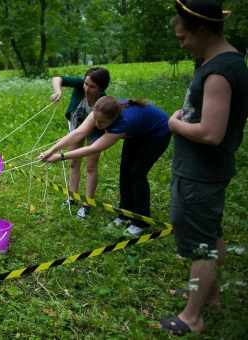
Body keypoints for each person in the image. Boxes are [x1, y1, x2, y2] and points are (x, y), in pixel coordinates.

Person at [160, 0, 248, 336]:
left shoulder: (219, 71)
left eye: (183, 37)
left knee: (201, 243)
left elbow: (211, 133)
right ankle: (209, 296)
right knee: (210, 232)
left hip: (200, 172)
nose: (181, 43)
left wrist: (174, 123)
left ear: (202, 29)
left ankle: (191, 317)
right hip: (205, 170)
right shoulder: (227, 62)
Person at [39, 96, 171, 236]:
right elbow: (78, 133)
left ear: (113, 119)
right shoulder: (100, 111)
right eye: (95, 119)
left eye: (102, 122)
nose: (97, 124)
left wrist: (60, 157)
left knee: (137, 174)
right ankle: (124, 213)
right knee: (125, 171)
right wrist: (51, 150)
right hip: (137, 131)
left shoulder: (123, 123)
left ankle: (140, 222)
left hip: (157, 133)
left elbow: (93, 148)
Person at [50, 67, 111, 218]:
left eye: (92, 87)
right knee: (73, 163)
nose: (87, 88)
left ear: (101, 88)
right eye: (86, 84)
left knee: (91, 167)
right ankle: (72, 197)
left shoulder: (103, 101)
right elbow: (57, 78)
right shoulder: (80, 85)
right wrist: (58, 91)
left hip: (95, 131)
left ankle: (87, 204)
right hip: (76, 126)